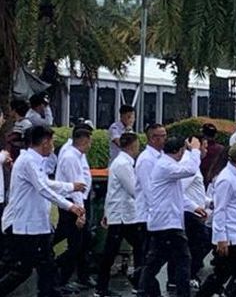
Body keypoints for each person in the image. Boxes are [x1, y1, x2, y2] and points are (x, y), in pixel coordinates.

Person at [0, 126, 86, 297]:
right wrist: (69, 206)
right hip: (24, 225)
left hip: (36, 225)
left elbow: (46, 183)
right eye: (52, 142)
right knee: (22, 268)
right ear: (45, 143)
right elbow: (43, 188)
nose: (53, 146)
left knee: (47, 265)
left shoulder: (35, 161)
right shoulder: (28, 161)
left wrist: (70, 187)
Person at [138, 135, 202, 297]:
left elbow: (178, 195)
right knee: (183, 259)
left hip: (165, 222)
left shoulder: (166, 165)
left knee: (155, 261)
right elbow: (191, 169)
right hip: (167, 222)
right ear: (180, 151)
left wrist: (195, 207)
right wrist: (195, 150)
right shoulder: (166, 166)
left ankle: (143, 289)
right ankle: (182, 292)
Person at [197, 143, 236, 297]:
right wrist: (221, 238)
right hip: (230, 237)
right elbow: (220, 210)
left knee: (221, 275)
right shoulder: (226, 180)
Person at [97, 132, 145, 297]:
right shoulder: (124, 164)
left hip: (123, 214)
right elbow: (133, 190)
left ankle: (138, 282)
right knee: (113, 251)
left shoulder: (121, 162)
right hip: (122, 215)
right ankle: (102, 287)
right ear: (132, 146)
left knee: (137, 246)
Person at [53, 125, 94, 291]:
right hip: (72, 203)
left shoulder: (76, 155)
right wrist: (80, 212)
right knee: (75, 244)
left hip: (75, 203)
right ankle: (60, 278)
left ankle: (64, 277)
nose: (91, 144)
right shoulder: (71, 157)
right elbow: (76, 186)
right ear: (84, 141)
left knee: (81, 242)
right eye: (89, 140)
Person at [182, 137, 212, 289]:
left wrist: (208, 203)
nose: (206, 150)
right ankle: (188, 275)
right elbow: (179, 191)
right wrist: (195, 207)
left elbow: (196, 191)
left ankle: (186, 276)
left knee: (195, 245)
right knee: (199, 245)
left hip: (197, 212)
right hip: (190, 214)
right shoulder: (189, 165)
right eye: (204, 147)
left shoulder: (194, 165)